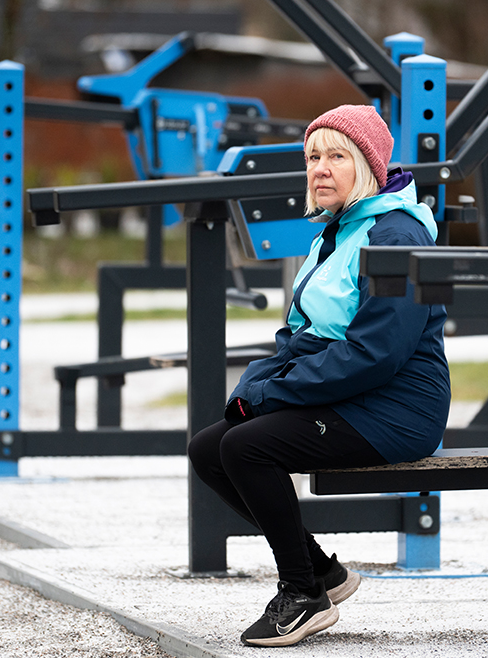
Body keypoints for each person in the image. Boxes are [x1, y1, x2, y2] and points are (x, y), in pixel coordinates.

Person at [187, 104, 451, 647]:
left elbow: (376, 354)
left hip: (397, 409)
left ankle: (302, 593)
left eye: (337, 156)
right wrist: (253, 389)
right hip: (354, 392)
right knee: (210, 448)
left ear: (369, 165)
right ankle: (322, 572)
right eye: (313, 157)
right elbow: (300, 334)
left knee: (247, 448)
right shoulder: (336, 233)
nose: (320, 169)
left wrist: (270, 397)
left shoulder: (395, 238)